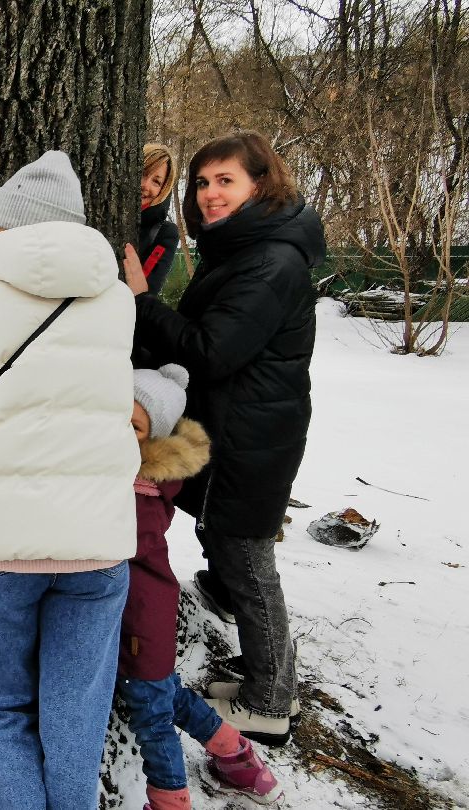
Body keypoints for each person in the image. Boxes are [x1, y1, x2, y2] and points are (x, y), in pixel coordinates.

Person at [0, 150, 138, 810]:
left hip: (2, 544)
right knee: (77, 719)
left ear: (8, 229)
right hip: (97, 540)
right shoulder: (118, 301)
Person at [123, 131, 326, 745]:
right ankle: (269, 680)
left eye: (226, 181)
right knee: (234, 549)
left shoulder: (273, 260)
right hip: (244, 427)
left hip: (251, 435)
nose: (210, 195)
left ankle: (270, 701)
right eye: (203, 183)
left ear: (260, 184)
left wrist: (140, 302)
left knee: (246, 561)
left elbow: (212, 350)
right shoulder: (248, 246)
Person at [117, 364, 282, 809]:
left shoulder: (139, 493)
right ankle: (238, 757)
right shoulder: (140, 480)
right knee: (167, 693)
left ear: (155, 441)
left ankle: (171, 799)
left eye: (131, 426)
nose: (114, 430)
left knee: (152, 719)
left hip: (136, 622)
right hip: (145, 619)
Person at [131, 143, 181, 297]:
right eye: (143, 173)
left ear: (163, 189)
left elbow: (146, 293)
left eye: (156, 182)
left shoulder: (165, 233)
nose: (145, 185)